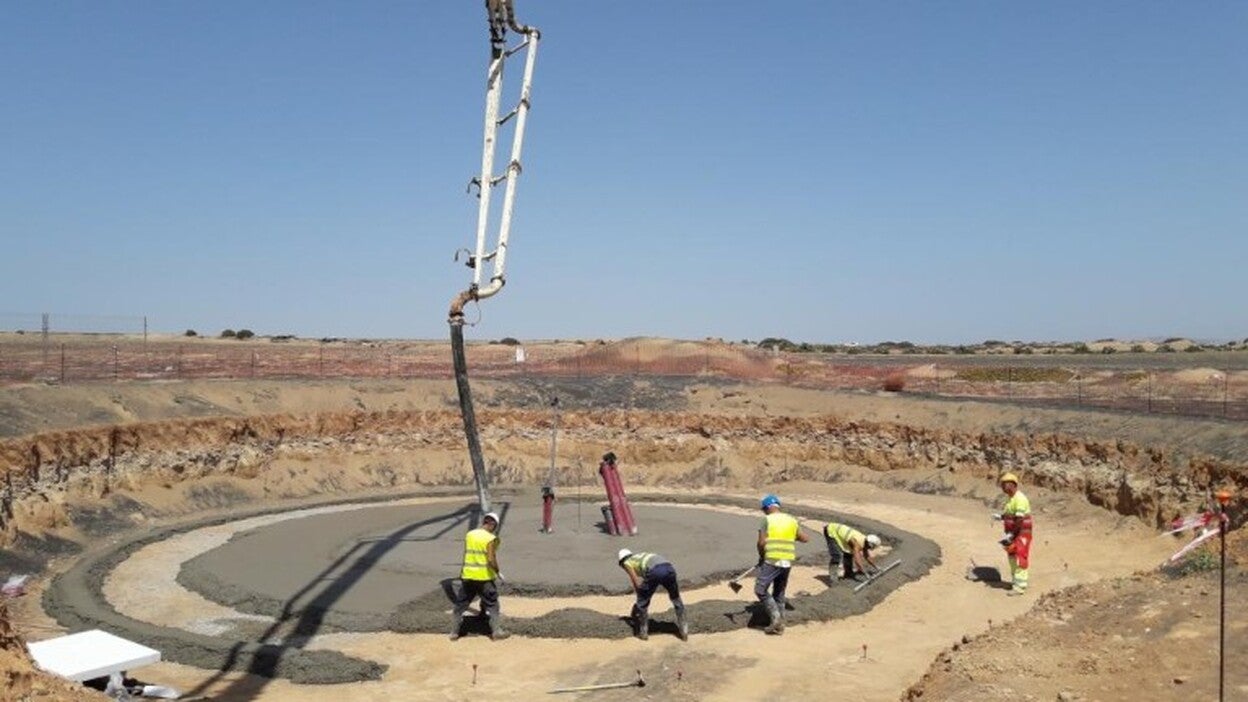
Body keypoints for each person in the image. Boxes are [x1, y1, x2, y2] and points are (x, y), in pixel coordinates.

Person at [451, 511, 510, 640]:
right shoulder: (490, 538)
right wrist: (497, 571)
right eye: (495, 526)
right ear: (492, 524)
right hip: (484, 577)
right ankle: (497, 632)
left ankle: (454, 633)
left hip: (468, 576)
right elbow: (490, 558)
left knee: (461, 604)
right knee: (492, 603)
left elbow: (467, 554)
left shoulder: (469, 534)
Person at [754, 494, 808, 635]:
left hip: (772, 559)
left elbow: (761, 542)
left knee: (760, 590)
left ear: (767, 508)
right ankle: (781, 624)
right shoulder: (791, 520)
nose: (764, 512)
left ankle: (776, 619)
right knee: (779, 592)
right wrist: (790, 535)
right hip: (787, 561)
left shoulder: (766, 519)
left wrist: (761, 556)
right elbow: (805, 539)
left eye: (764, 509)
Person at [617, 548, 688, 641]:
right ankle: (684, 630)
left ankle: (643, 633)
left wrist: (640, 598)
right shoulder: (639, 556)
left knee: (643, 603)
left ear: (621, 562)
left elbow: (635, 581)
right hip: (669, 568)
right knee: (675, 598)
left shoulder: (627, 562)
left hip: (655, 571)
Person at [995, 473, 1033, 596]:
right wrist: (1001, 517)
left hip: (1020, 534)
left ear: (1012, 484)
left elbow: (1020, 520)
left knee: (1019, 558)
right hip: (1011, 534)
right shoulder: (1010, 498)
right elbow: (1010, 515)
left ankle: (1020, 587)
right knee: (1011, 558)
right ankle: (1015, 582)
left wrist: (1012, 534)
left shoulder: (1020, 498)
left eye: (1004, 484)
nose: (1002, 487)